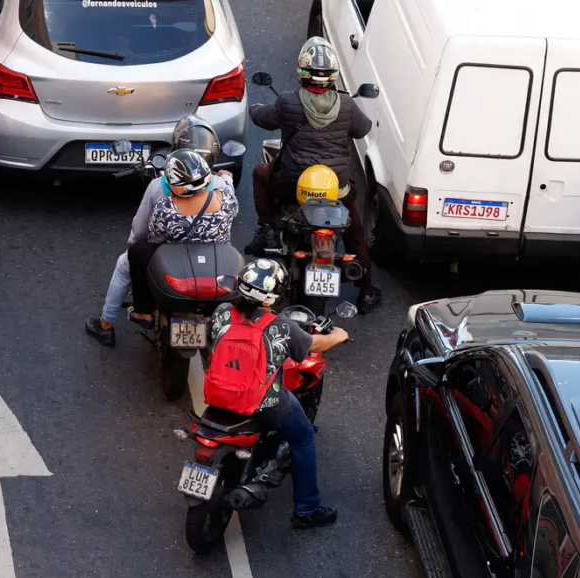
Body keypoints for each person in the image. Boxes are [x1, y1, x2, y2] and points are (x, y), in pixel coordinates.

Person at [206, 258, 348, 528]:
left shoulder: (223, 311)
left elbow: (211, 342)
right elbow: (312, 344)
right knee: (304, 436)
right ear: (272, 297)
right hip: (264, 402)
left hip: (217, 393)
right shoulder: (280, 326)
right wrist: (338, 336)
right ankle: (307, 510)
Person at [244, 36, 382, 313]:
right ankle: (366, 290)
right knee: (355, 233)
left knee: (260, 173)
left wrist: (255, 109)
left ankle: (268, 228)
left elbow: (263, 118)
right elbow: (362, 129)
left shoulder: (287, 102)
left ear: (301, 73)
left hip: (292, 184)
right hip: (337, 189)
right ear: (333, 76)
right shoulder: (346, 104)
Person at [85, 115, 233, 347]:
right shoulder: (225, 192)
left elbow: (144, 232)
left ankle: (107, 324)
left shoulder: (162, 198)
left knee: (127, 262)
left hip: (170, 256)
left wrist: (134, 245)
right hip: (214, 256)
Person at [125, 149, 239, 328]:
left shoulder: (165, 209)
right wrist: (227, 180)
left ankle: (143, 312)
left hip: (178, 261)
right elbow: (231, 201)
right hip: (217, 260)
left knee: (137, 252)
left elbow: (155, 237)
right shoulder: (227, 201)